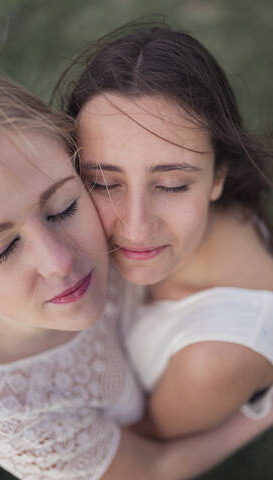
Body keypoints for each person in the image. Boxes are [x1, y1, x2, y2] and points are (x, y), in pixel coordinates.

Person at [54, 20, 273, 440]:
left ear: (218, 177)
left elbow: (145, 451)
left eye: (171, 185)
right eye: (102, 182)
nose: (135, 228)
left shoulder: (216, 356)